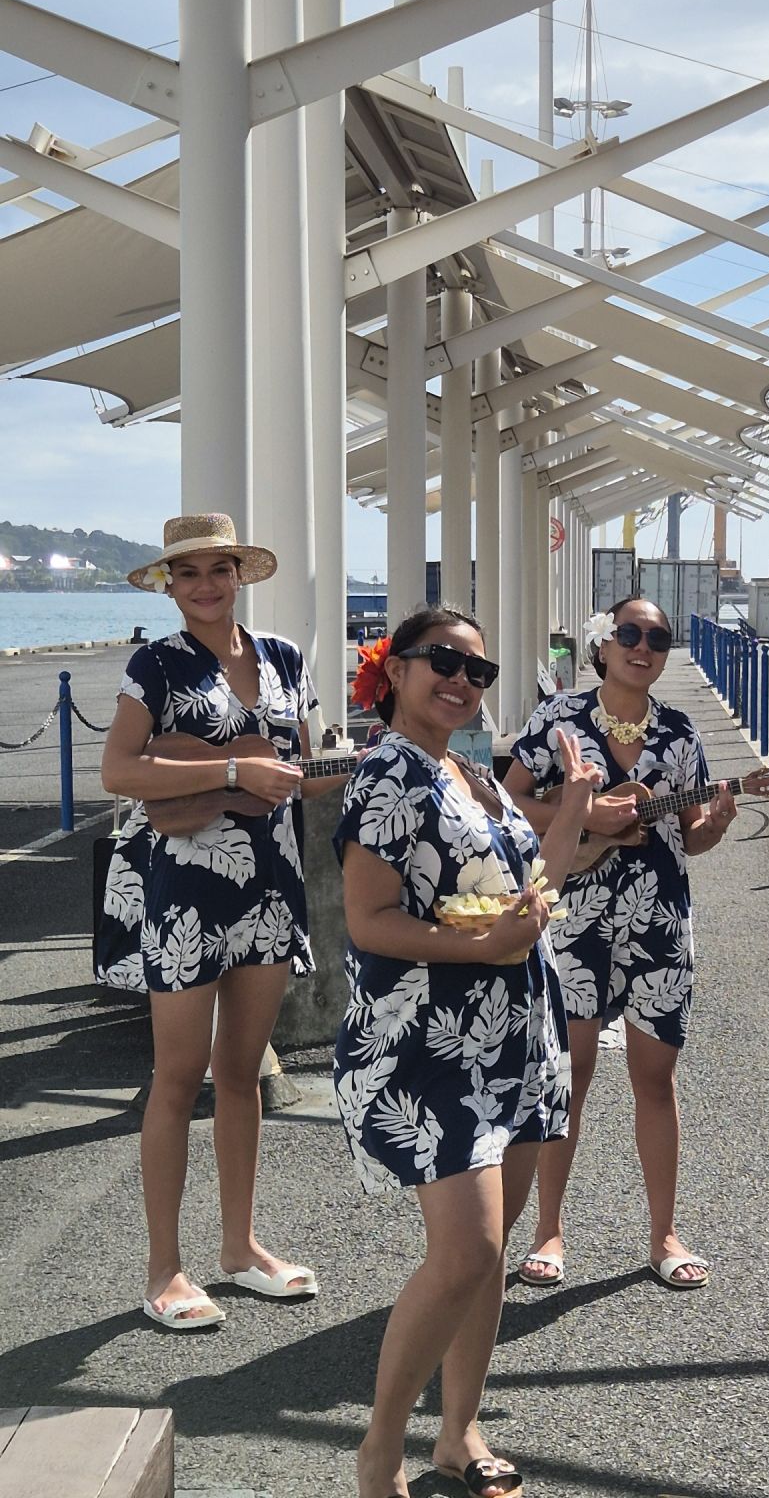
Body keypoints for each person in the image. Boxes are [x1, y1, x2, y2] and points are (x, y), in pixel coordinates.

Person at [336, 606, 601, 1498]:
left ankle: (458, 1432)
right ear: (395, 672)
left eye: (477, 672)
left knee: (488, 1255)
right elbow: (370, 922)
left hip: (514, 1033)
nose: (461, 680)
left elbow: (536, 886)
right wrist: (486, 948)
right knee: (464, 1251)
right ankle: (380, 1448)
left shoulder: (471, 775)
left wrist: (569, 809)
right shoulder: (387, 777)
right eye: (442, 662)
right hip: (430, 1039)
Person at [98, 513, 345, 1330]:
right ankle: (163, 1268)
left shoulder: (283, 658)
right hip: (184, 889)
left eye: (218, 569)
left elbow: (300, 773)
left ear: (240, 573)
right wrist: (235, 765)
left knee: (241, 1077)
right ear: (169, 585)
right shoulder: (156, 665)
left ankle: (238, 1250)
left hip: (271, 885)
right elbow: (118, 770)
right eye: (188, 573)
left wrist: (371, 762)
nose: (204, 585)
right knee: (177, 1078)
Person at [502, 597, 736, 1293]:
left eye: (658, 638)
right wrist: (583, 812)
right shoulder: (559, 721)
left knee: (655, 1079)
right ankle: (549, 1230)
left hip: (659, 920)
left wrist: (718, 821)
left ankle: (663, 1233)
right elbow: (503, 802)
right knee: (567, 1078)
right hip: (575, 916)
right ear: (603, 645)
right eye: (629, 634)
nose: (643, 647)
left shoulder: (680, 733)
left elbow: (689, 834)